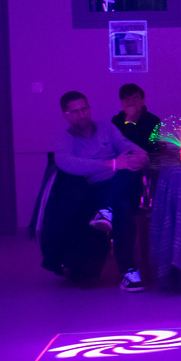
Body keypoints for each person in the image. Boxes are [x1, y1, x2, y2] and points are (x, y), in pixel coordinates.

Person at [53, 90, 149, 291]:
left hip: (121, 183)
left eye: (85, 109)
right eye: (76, 111)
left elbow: (126, 145)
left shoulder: (106, 127)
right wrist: (111, 164)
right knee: (123, 208)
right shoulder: (65, 138)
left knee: (128, 169)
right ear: (66, 115)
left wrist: (140, 155)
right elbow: (67, 163)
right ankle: (129, 272)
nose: (82, 114)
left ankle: (105, 211)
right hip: (92, 192)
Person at [111, 83, 162, 154]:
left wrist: (130, 120)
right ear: (122, 103)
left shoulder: (153, 120)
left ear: (142, 101)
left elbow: (146, 147)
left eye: (135, 98)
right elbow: (118, 146)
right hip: (122, 158)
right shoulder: (116, 121)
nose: (131, 102)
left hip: (146, 158)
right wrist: (129, 120)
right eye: (127, 99)